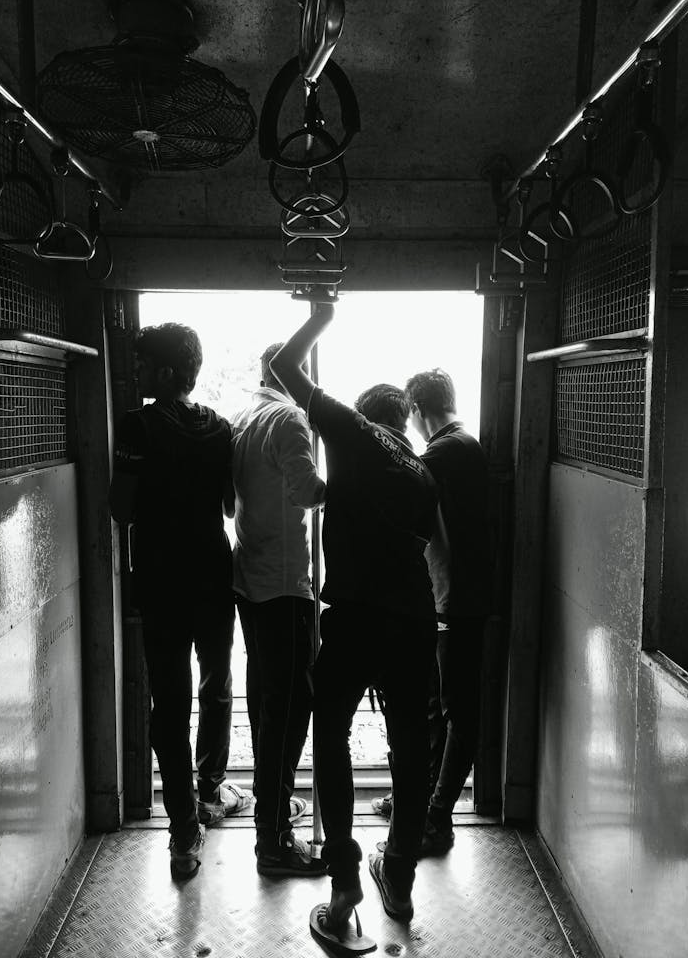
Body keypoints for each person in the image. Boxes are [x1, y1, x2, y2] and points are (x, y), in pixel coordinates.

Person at [270, 304, 439, 952]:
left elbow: (282, 366)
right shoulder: (422, 474)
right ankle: (398, 877)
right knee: (411, 747)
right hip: (415, 619)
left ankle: (344, 883)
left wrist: (319, 317)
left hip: (358, 618)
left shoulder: (350, 428)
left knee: (332, 734)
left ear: (367, 413)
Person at [109, 322, 251, 880]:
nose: (136, 373)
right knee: (216, 687)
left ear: (165, 372)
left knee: (169, 704)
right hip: (214, 577)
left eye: (143, 364)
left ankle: (182, 832)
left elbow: (122, 509)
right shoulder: (220, 429)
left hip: (163, 585)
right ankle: (210, 786)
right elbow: (229, 507)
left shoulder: (136, 426)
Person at [372, 367, 490, 857]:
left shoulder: (442, 452)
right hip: (461, 594)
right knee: (438, 707)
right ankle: (418, 804)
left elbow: (404, 501)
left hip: (453, 598)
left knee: (455, 709)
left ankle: (436, 817)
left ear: (417, 411)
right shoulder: (467, 445)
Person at [230, 343, 327, 877]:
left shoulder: (244, 417)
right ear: (296, 370)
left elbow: (229, 503)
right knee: (291, 710)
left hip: (250, 578)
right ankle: (273, 842)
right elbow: (309, 490)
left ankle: (271, 810)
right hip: (286, 585)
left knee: (268, 704)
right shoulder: (289, 419)